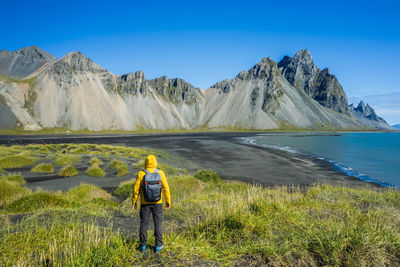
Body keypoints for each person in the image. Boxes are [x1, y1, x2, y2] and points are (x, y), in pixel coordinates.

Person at [132, 155, 171, 253]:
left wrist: (134, 202)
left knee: (144, 223)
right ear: (155, 162)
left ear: (145, 162)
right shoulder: (160, 173)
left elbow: (136, 189)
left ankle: (142, 246)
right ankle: (158, 246)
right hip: (158, 203)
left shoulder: (141, 173)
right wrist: (168, 201)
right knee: (157, 223)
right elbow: (166, 188)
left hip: (144, 203)